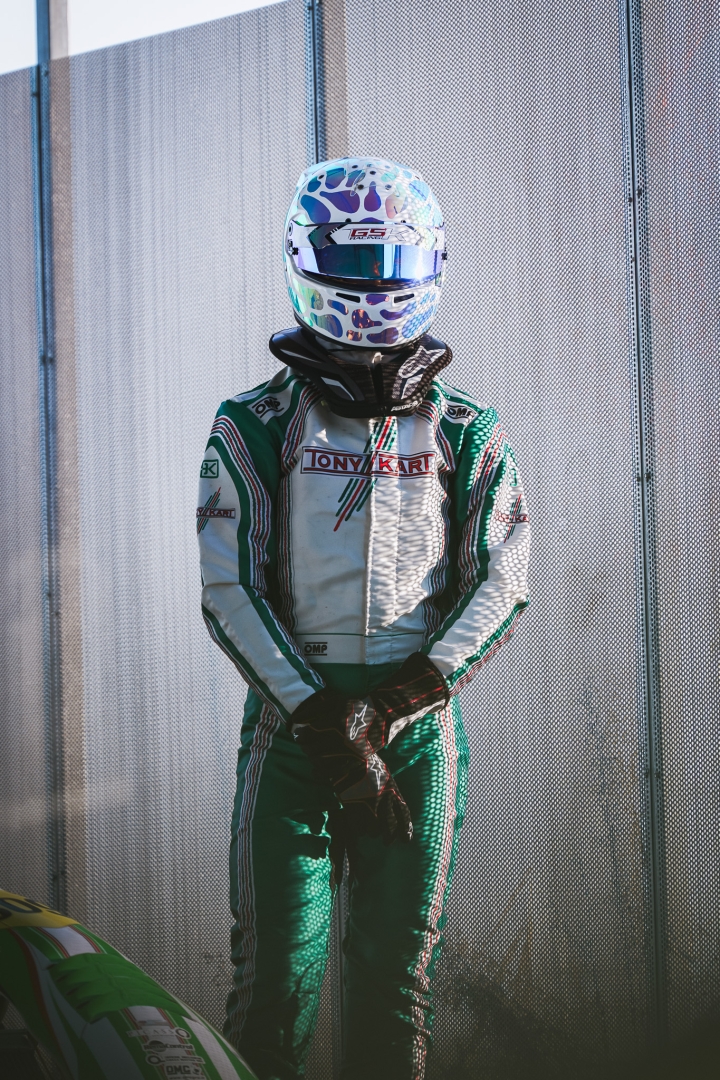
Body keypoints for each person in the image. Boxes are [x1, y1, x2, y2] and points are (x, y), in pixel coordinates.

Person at [197, 156, 530, 1080]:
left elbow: (503, 579)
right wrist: (326, 722)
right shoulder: (252, 422)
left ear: (431, 265)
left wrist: (385, 711)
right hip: (293, 733)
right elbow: (228, 587)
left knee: (395, 991)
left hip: (414, 736)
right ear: (306, 260)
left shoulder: (467, 428)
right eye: (358, 262)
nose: (377, 285)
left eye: (393, 263)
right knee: (273, 988)